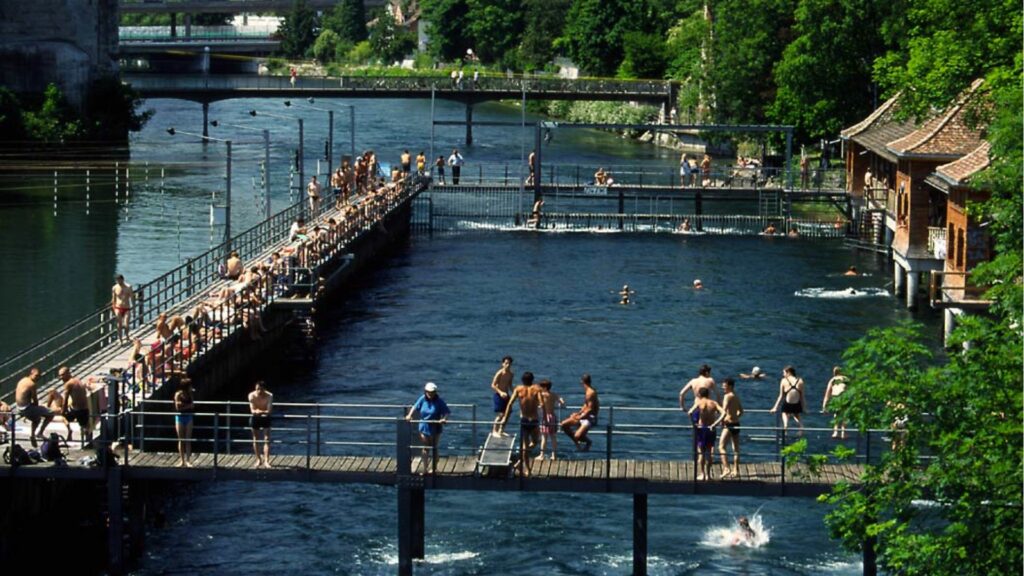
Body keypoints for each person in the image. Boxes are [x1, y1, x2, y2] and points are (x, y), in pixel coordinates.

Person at [501, 372, 543, 476]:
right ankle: (524, 464)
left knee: (525, 446)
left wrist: (505, 418)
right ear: (532, 380)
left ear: (522, 380)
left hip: (524, 420)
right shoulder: (537, 389)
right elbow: (542, 404)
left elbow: (510, 403)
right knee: (535, 442)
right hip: (534, 420)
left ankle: (526, 468)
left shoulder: (518, 389)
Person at [405, 382, 450, 474]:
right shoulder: (422, 399)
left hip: (435, 426)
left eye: (432, 392)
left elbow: (446, 412)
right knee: (425, 447)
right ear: (425, 392)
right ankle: (425, 469)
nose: (430, 394)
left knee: (434, 447)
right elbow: (415, 406)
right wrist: (409, 415)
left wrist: (444, 419)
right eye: (428, 392)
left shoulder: (439, 401)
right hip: (424, 426)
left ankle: (434, 468)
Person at [688, 387, 724, 481]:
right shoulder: (714, 403)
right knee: (709, 452)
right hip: (711, 429)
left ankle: (702, 474)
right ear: (708, 394)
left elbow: (690, 412)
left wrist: (694, 423)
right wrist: (715, 424)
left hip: (701, 428)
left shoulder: (699, 403)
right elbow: (723, 413)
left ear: (699, 395)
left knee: (701, 453)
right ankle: (708, 475)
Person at [15, 367, 54, 447]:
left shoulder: (22, 380)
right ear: (31, 374)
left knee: (36, 419)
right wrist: (38, 409)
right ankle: (40, 433)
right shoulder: (32, 384)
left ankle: (32, 436)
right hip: (26, 408)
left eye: (39, 376)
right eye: (36, 376)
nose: (38, 378)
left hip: (19, 407)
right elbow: (35, 400)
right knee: (51, 413)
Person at [560, 373, 599, 451]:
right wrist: (578, 413)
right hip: (584, 415)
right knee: (563, 424)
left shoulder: (590, 393)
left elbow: (590, 409)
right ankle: (577, 443)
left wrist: (579, 417)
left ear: (582, 381)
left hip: (590, 418)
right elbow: (585, 405)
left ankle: (588, 442)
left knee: (577, 436)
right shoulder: (588, 391)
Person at [59, 366, 91, 447]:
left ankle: (70, 430)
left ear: (68, 373)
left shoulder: (68, 384)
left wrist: (63, 411)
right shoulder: (78, 380)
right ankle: (87, 442)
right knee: (84, 426)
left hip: (76, 410)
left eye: (62, 375)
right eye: (60, 375)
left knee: (63, 416)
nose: (61, 377)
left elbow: (65, 400)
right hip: (85, 409)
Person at [718, 378, 744, 478]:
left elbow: (723, 411)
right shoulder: (736, 396)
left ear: (730, 386)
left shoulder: (727, 396)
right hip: (736, 423)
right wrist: (734, 416)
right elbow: (741, 411)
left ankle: (726, 468)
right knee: (736, 449)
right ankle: (736, 470)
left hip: (729, 425)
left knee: (721, 446)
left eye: (724, 386)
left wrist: (722, 421)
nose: (723, 387)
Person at [770, 365, 805, 435]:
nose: (783, 375)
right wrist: (804, 408)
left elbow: (781, 396)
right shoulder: (800, 381)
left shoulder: (784, 381)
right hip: (797, 404)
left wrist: (775, 407)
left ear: (788, 372)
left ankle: (786, 426)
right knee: (796, 415)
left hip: (787, 404)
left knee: (784, 413)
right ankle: (801, 427)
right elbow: (802, 397)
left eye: (784, 373)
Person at [537, 379, 565, 461]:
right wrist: (562, 402)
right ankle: (554, 455)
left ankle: (542, 455)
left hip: (545, 417)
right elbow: (561, 400)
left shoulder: (542, 395)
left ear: (545, 387)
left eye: (541, 386)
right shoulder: (553, 394)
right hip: (553, 417)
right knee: (553, 436)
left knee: (544, 437)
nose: (540, 388)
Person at [248, 380, 273, 468]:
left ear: (264, 389)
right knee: (256, 438)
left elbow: (269, 411)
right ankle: (258, 459)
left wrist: (260, 411)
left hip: (265, 418)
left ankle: (266, 460)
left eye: (261, 389)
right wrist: (257, 412)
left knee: (267, 439)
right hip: (255, 418)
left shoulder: (269, 396)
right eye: (257, 389)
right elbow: (252, 410)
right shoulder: (251, 395)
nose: (259, 391)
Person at [173, 376, 195, 467]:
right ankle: (182, 461)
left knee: (188, 439)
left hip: (188, 417)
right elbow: (177, 407)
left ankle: (188, 460)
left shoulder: (190, 395)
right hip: (180, 417)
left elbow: (192, 405)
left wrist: (184, 405)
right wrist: (187, 406)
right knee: (181, 440)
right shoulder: (178, 394)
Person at [490, 356, 514, 436]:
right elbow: (493, 385)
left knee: (507, 414)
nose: (508, 365)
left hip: (507, 395)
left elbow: (510, 385)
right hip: (499, 395)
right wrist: (500, 392)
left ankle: (501, 430)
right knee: (500, 414)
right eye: (506, 363)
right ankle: (494, 431)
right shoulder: (500, 373)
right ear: (503, 364)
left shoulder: (511, 374)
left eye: (509, 363)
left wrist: (514, 393)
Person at [821, 366, 848, 439]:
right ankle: (843, 432)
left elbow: (827, 394)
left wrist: (824, 406)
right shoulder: (845, 379)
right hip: (844, 396)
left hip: (835, 397)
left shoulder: (832, 380)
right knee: (844, 414)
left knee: (836, 414)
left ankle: (835, 432)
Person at [111, 274, 135, 344]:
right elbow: (114, 298)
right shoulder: (114, 288)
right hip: (118, 307)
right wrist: (113, 307)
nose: (118, 282)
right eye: (117, 280)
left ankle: (127, 336)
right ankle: (120, 339)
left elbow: (132, 298)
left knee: (126, 324)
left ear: (122, 279)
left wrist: (133, 307)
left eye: (119, 280)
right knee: (119, 324)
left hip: (126, 307)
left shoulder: (128, 287)